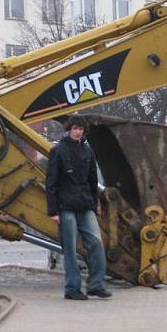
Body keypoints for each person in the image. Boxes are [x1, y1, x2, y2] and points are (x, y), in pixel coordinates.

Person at [46, 119, 111, 300]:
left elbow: (92, 181)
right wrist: (53, 211)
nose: (78, 132)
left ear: (84, 131)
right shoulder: (58, 151)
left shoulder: (88, 151)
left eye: (80, 129)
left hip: (84, 205)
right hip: (65, 207)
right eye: (75, 128)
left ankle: (95, 285)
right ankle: (72, 288)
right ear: (69, 130)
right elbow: (51, 183)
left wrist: (93, 204)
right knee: (70, 249)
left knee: (96, 243)